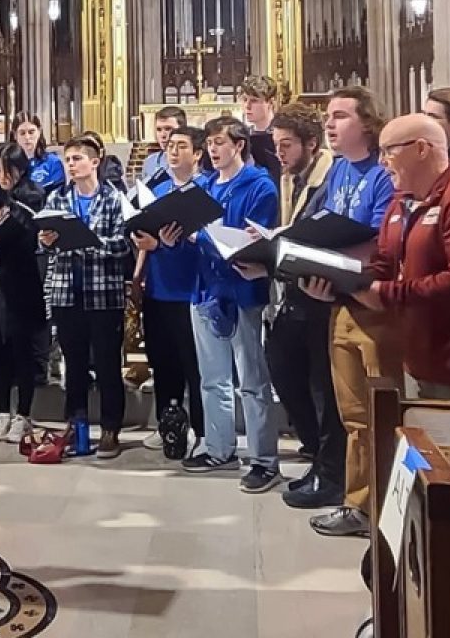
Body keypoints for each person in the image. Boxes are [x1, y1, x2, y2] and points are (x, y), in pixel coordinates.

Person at [307, 113, 450, 393]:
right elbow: (384, 266)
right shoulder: (401, 204)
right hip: (422, 360)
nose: (382, 162)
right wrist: (339, 286)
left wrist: (387, 293)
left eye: (389, 151)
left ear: (422, 149)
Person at [308, 87, 398, 538]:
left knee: (385, 413)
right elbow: (325, 222)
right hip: (341, 300)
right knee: (355, 416)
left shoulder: (383, 170)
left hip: (376, 306)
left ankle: (391, 507)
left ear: (367, 122)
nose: (329, 123)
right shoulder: (339, 169)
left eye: (340, 116)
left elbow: (380, 240)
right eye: (328, 116)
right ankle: (359, 503)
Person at [186, 115, 282, 493]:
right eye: (209, 142)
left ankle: (264, 460)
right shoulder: (204, 185)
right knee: (212, 378)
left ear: (239, 145)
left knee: (252, 381)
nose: (212, 149)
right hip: (206, 288)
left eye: (220, 142)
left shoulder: (259, 186)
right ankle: (220, 447)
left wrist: (201, 238)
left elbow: (248, 243)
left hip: (242, 291)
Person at [262, 105, 347, 511]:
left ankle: (330, 469)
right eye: (276, 145)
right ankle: (316, 451)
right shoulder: (289, 178)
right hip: (296, 288)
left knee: (321, 385)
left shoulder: (330, 176)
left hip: (322, 291)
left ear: (311, 144)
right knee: (280, 364)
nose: (279, 153)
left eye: (287, 145)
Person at [40, 137, 135, 458]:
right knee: (74, 364)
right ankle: (76, 422)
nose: (71, 164)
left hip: (103, 294)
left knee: (108, 365)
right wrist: (47, 239)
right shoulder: (57, 197)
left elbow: (124, 245)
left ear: (95, 162)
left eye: (77, 158)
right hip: (67, 292)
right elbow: (46, 247)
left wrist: (88, 242)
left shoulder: (113, 198)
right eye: (68, 159)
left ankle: (111, 427)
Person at [128, 126, 206, 455]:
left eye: (182, 146)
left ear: (198, 154)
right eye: (170, 146)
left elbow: (207, 241)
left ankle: (202, 432)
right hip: (158, 288)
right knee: (163, 362)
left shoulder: (205, 190)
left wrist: (159, 242)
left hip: (191, 290)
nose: (173, 151)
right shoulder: (157, 188)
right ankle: (167, 424)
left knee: (195, 367)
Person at [0, 144, 49, 443]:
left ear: (21, 169)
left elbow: (25, 241)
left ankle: (24, 415)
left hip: (20, 284)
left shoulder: (31, 197)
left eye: (9, 170)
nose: (3, 177)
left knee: (22, 352)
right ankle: (2, 411)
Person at [238, 75, 284, 179]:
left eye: (254, 101)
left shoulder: (282, 134)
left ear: (271, 102)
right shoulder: (244, 135)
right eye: (245, 100)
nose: (247, 106)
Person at [13, 113, 65, 188]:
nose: (27, 137)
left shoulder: (52, 162)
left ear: (39, 132)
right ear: (15, 135)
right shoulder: (7, 163)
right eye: (22, 133)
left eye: (31, 132)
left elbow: (58, 192)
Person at [139, 105, 188, 183]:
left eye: (168, 129)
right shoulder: (150, 162)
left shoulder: (192, 160)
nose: (163, 135)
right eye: (159, 129)